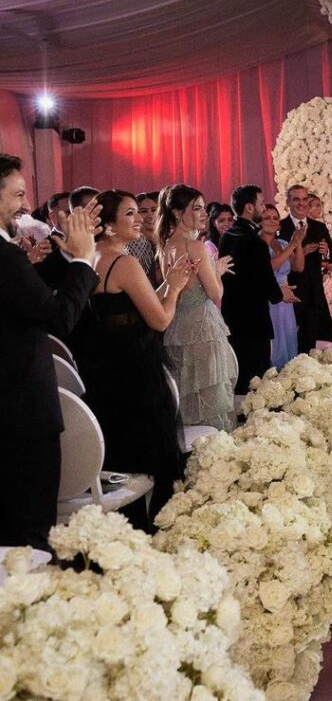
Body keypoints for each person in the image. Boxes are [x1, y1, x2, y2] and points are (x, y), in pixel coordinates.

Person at [0, 155, 100, 549]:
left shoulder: (10, 257)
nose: (27, 205)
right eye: (18, 194)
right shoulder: (4, 257)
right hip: (19, 415)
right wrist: (82, 259)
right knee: (29, 539)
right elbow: (58, 318)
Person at [80, 190, 192, 525]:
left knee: (120, 453)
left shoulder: (89, 258)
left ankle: (124, 529)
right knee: (150, 459)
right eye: (130, 213)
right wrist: (174, 288)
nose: (141, 219)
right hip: (135, 374)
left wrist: (166, 288)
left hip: (103, 371)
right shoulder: (124, 262)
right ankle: (150, 530)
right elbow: (159, 320)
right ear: (109, 226)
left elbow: (128, 312)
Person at [156, 184, 238, 430]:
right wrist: (218, 271)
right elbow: (214, 293)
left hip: (177, 327)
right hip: (203, 329)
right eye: (197, 208)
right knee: (211, 396)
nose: (204, 214)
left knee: (188, 396)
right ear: (179, 213)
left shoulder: (165, 246)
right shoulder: (195, 247)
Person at [220, 185, 283, 394]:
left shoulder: (228, 236)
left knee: (239, 375)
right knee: (257, 380)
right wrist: (280, 294)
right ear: (249, 207)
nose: (264, 208)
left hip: (232, 318)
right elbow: (265, 279)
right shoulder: (254, 241)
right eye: (261, 203)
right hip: (254, 320)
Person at [279, 184, 332, 353]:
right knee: (291, 343)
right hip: (291, 293)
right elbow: (274, 262)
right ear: (288, 202)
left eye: (304, 199)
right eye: (296, 199)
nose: (301, 203)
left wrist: (326, 251)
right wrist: (299, 252)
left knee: (316, 340)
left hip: (314, 293)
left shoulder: (319, 227)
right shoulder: (280, 227)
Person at [259, 203, 304, 369]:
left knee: (288, 341)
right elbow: (268, 267)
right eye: (267, 218)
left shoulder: (282, 244)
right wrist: (292, 245)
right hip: (269, 298)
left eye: (275, 218)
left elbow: (298, 267)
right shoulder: (256, 244)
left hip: (286, 303)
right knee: (274, 345)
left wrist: (297, 242)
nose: (272, 221)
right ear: (259, 221)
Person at [126, 190, 160, 283]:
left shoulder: (166, 240)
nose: (150, 215)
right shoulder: (133, 244)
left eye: (154, 210)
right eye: (143, 211)